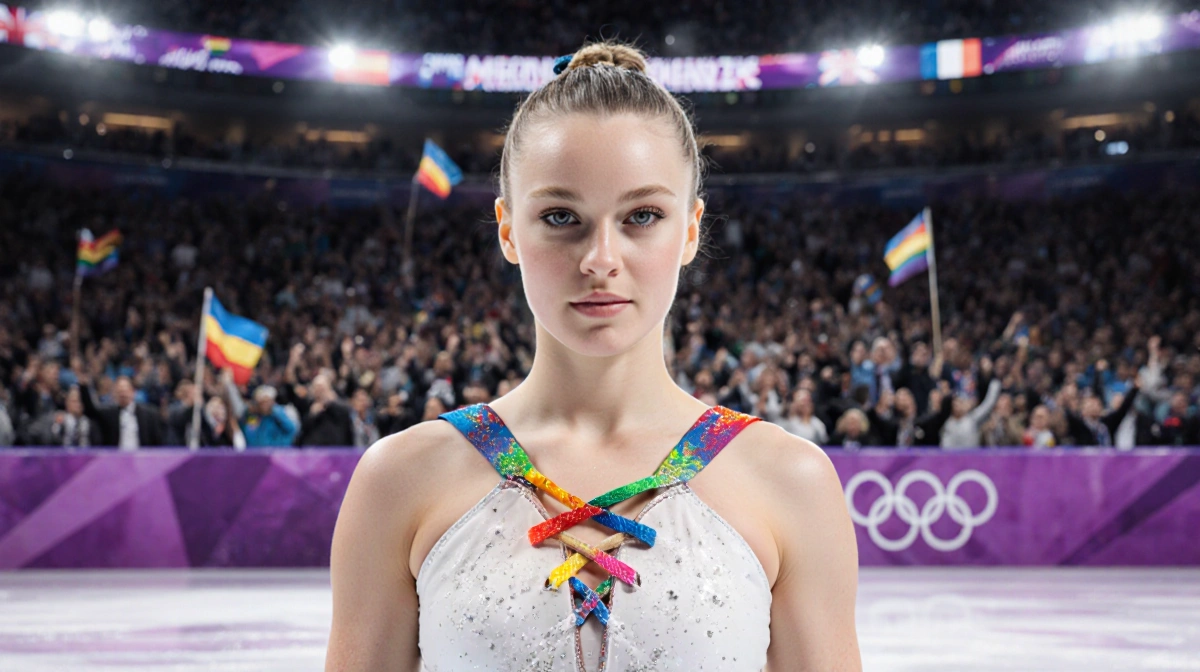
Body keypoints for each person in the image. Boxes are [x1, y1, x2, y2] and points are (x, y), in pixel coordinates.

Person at [326, 41, 860, 671]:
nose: (600, 258)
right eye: (560, 216)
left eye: (642, 215)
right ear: (507, 230)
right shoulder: (398, 481)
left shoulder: (791, 482)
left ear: (690, 230)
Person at [78, 371, 164, 449]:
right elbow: (90, 411)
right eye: (119, 392)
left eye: (125, 391)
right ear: (114, 394)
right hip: (116, 460)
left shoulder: (149, 414)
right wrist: (83, 387)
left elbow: (158, 442)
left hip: (141, 460)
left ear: (133, 392)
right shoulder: (109, 414)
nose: (123, 394)